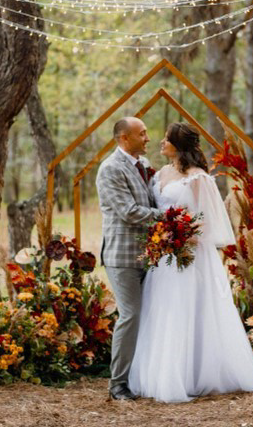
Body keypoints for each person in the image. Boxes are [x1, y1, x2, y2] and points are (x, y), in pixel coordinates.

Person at [128, 122, 253, 403]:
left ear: (179, 145)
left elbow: (207, 220)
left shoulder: (199, 177)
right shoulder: (161, 173)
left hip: (191, 254)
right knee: (164, 309)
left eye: (167, 139)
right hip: (164, 254)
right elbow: (156, 210)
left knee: (192, 308)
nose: (161, 142)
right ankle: (164, 372)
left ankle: (198, 373)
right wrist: (163, 236)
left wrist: (186, 235)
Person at [96, 117, 160, 401]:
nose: (147, 138)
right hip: (122, 256)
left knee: (148, 315)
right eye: (142, 133)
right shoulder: (110, 169)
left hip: (150, 254)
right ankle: (117, 384)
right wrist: (171, 216)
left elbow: (151, 201)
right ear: (124, 138)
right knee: (130, 315)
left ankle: (141, 376)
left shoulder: (143, 166)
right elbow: (130, 212)